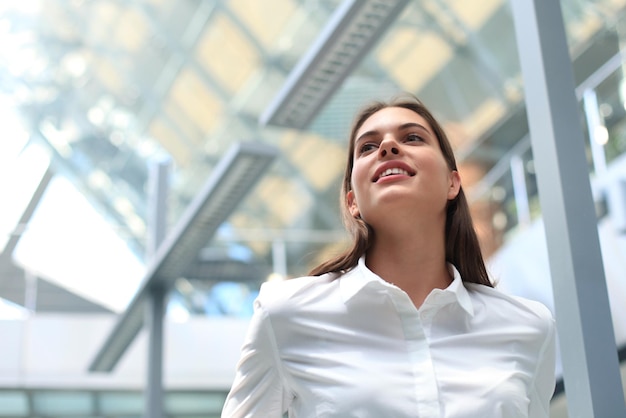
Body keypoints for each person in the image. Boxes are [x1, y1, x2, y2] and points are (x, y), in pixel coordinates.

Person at [221, 94, 556, 418]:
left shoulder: (527, 326)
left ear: (453, 183)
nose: (387, 147)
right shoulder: (286, 315)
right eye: (367, 147)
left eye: (413, 138)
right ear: (352, 201)